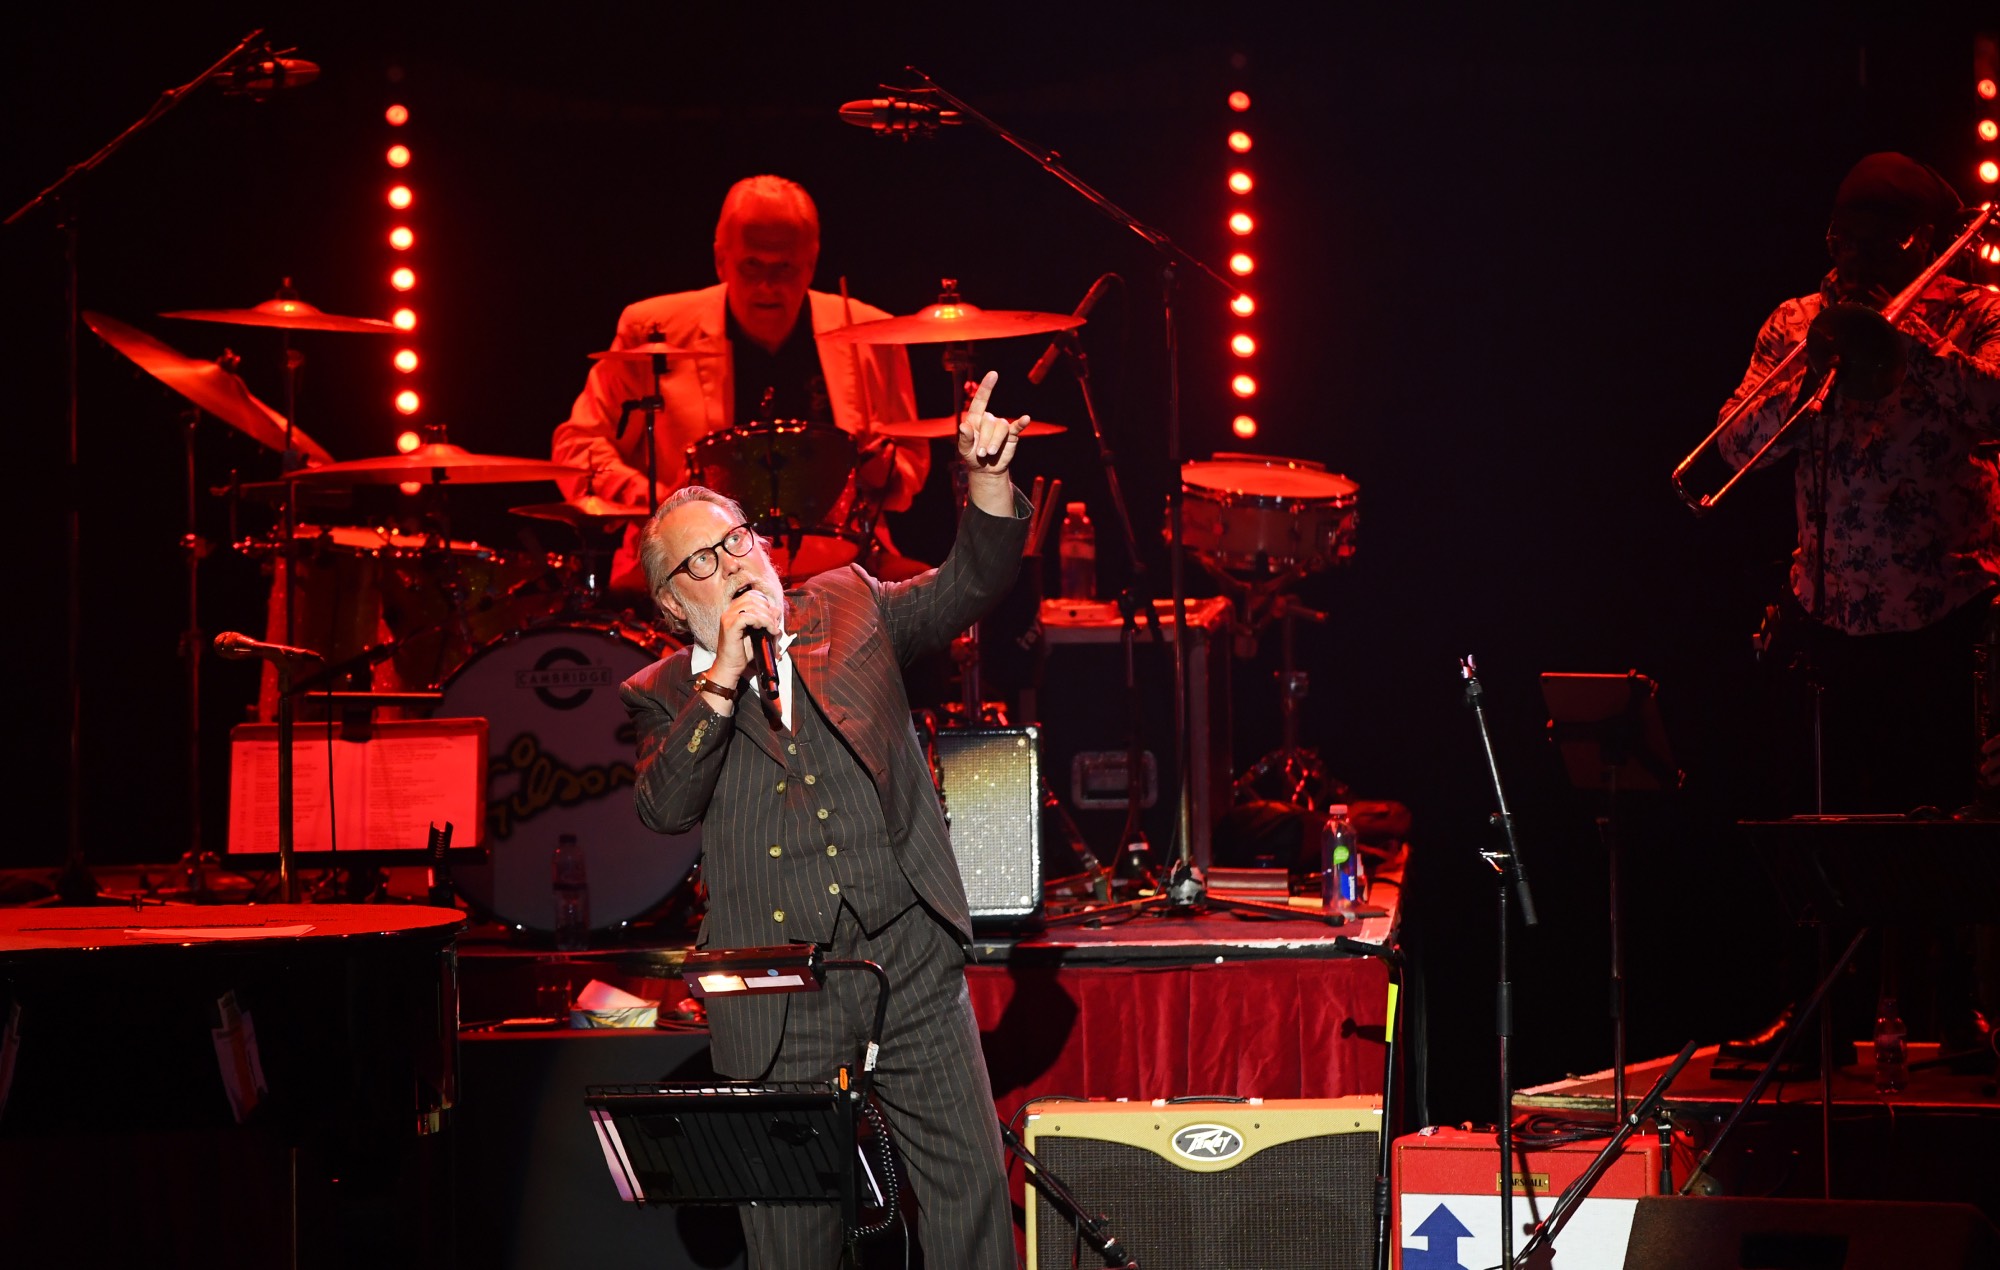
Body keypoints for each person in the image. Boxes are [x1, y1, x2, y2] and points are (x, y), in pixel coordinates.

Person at [620, 371, 1032, 1269]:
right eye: (703, 561)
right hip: (777, 989)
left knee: (967, 1200)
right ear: (669, 605)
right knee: (793, 1239)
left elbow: (970, 582)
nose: (732, 563)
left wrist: (987, 484)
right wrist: (721, 675)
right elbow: (663, 806)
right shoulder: (659, 695)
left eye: (737, 541)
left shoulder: (849, 602)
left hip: (906, 954)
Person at [1716, 152, 2000, 814]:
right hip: (1825, 625)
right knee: (1828, 842)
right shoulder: (1794, 321)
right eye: (1844, 241)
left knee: (1937, 847)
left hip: (1944, 625)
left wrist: (1910, 339)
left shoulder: (1980, 313)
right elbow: (1732, 449)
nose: (1855, 260)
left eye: (1877, 243)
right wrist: (1804, 376)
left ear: (1922, 241)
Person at [553, 174, 929, 591]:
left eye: (784, 268)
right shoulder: (651, 328)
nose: (767, 286)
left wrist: (886, 473)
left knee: (935, 602)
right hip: (693, 563)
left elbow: (910, 460)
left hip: (841, 564)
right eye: (751, 265)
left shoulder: (868, 330)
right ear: (721, 260)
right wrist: (660, 499)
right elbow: (577, 447)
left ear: (811, 261)